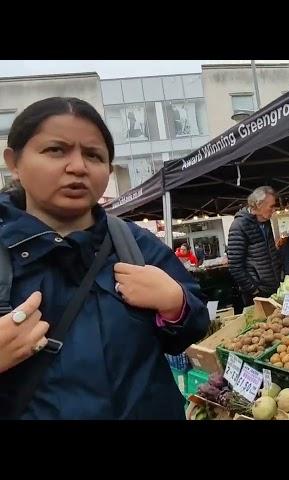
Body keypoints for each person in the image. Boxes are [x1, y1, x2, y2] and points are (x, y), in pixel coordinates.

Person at [0, 97, 209, 419]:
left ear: (108, 170)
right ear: (14, 161)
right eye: (55, 150)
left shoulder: (135, 244)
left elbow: (191, 326)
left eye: (93, 155)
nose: (78, 166)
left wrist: (175, 304)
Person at [228, 186, 282, 306]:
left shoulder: (266, 222)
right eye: (271, 206)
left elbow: (270, 251)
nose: (274, 209)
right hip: (256, 295)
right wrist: (253, 290)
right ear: (258, 204)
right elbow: (235, 265)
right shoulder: (239, 226)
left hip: (273, 288)